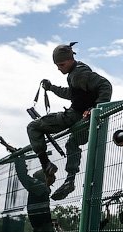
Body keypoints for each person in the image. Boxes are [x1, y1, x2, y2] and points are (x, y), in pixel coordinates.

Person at [27, 42, 113, 201]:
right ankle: (70, 180)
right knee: (72, 143)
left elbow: (105, 85)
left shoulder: (80, 73)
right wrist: (51, 88)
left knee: (33, 126)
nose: (59, 67)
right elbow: (72, 94)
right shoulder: (75, 73)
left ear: (70, 60)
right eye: (57, 65)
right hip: (85, 120)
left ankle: (46, 165)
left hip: (76, 116)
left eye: (61, 64)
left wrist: (96, 109)